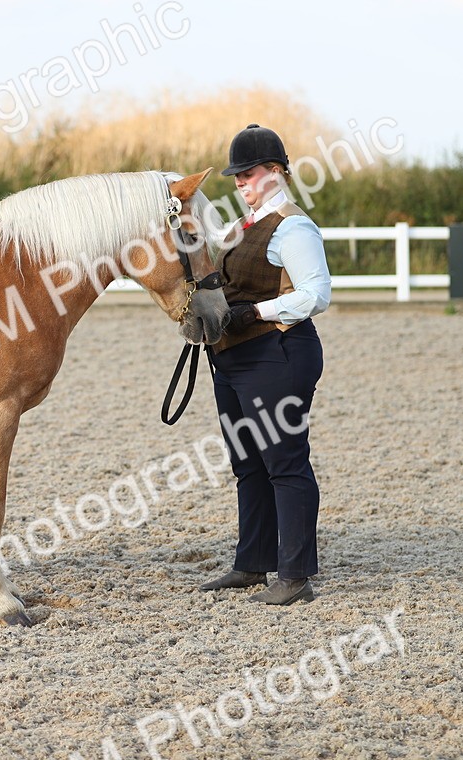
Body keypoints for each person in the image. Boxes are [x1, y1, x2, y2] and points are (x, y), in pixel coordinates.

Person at [199, 124, 332, 606]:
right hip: (234, 357)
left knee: (284, 461)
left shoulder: (294, 226)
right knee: (248, 463)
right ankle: (253, 562)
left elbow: (316, 294)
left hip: (278, 353)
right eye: (237, 177)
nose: (240, 183)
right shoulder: (245, 227)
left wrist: (255, 312)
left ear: (275, 172)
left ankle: (295, 574)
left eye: (248, 174)